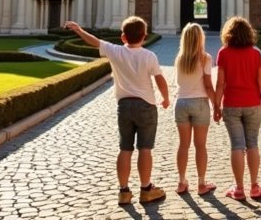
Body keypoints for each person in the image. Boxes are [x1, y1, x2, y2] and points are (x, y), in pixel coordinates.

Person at [64, 18, 169, 206]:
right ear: (144, 37)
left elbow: (94, 41)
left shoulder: (116, 51)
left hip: (124, 105)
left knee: (125, 149)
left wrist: (79, 30)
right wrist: (166, 97)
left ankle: (123, 191)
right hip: (146, 105)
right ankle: (146, 189)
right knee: (145, 148)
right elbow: (160, 79)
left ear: (122, 37)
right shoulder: (149, 56)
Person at [213, 16, 261, 200]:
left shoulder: (224, 53)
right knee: (253, 144)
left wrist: (216, 106)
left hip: (232, 104)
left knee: (237, 145)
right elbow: (260, 80)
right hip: (253, 103)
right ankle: (254, 186)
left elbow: (220, 83)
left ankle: (238, 188)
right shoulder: (255, 53)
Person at [173, 22, 217, 196]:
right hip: (199, 103)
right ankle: (201, 183)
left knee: (183, 145)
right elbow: (208, 84)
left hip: (181, 103)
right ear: (200, 39)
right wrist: (216, 105)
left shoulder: (179, 58)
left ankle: (181, 181)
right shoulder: (205, 58)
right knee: (200, 146)